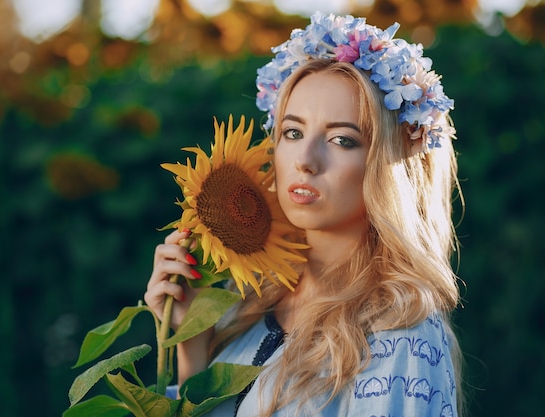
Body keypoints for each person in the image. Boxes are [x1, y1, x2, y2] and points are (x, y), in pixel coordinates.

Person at [145, 12, 463, 417]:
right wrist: (193, 335)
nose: (305, 161)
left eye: (342, 140)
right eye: (293, 132)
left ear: (391, 165)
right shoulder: (246, 302)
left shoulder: (401, 328)